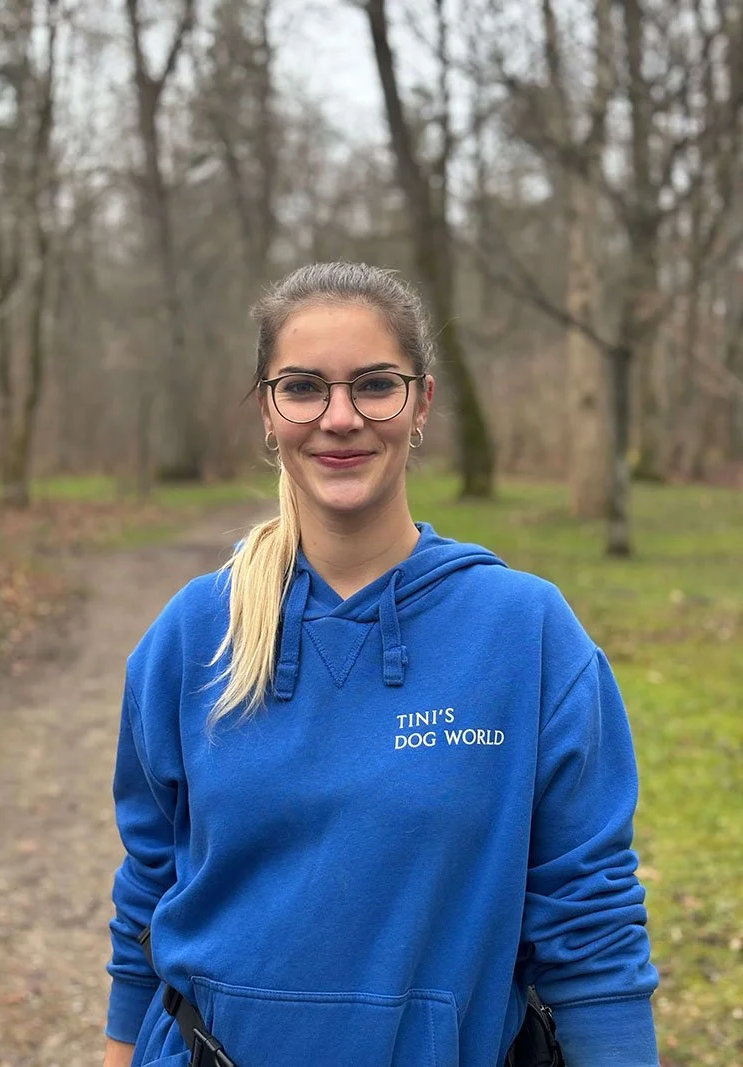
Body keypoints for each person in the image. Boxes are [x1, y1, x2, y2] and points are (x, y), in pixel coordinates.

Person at [103, 262, 659, 1067]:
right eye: (302, 387)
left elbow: (589, 915)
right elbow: (147, 887)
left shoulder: (525, 632)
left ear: (422, 402)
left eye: (374, 385)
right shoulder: (196, 633)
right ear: (267, 409)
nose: (339, 418)